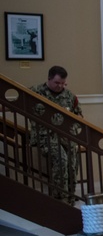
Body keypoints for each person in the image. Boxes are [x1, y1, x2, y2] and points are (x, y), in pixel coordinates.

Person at [29, 65, 83, 204]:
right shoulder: (35, 92)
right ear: (49, 79)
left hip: (67, 136)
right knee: (61, 159)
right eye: (57, 83)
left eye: (63, 83)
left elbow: (79, 116)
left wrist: (74, 128)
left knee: (72, 164)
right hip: (46, 136)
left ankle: (70, 196)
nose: (60, 86)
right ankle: (60, 198)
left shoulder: (70, 96)